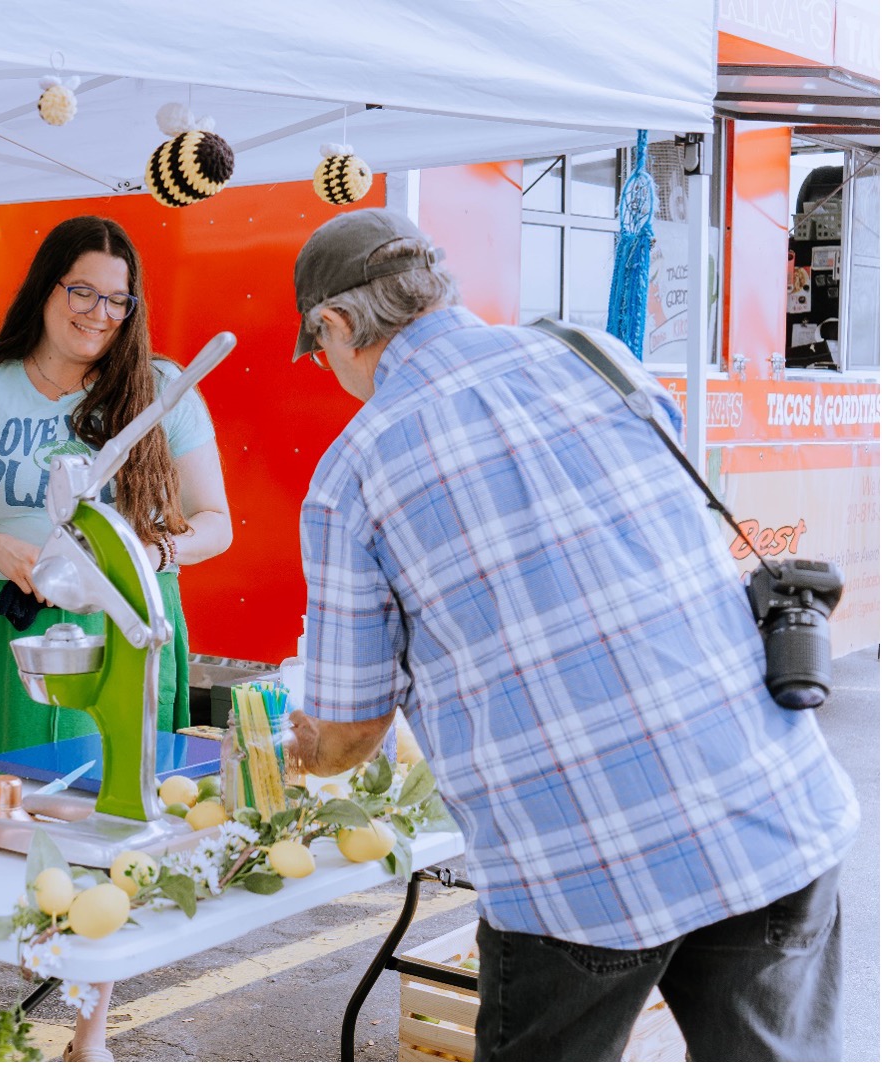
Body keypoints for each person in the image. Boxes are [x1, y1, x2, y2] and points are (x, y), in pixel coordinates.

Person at [282, 208, 857, 1061]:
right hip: (763, 806)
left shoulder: (353, 473)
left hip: (578, 870)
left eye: (319, 350)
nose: (327, 368)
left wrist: (297, 753)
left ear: (332, 325)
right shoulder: (595, 356)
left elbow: (349, 733)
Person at [0, 215, 232, 1061]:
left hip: (120, 628)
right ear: (44, 288)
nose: (96, 313)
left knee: (106, 819)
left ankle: (87, 1035)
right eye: (80, 290)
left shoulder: (158, 388)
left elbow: (215, 524)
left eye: (116, 301)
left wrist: (144, 550)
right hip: (4, 632)